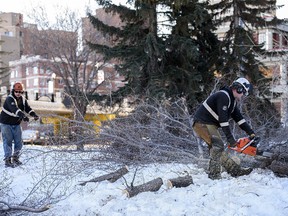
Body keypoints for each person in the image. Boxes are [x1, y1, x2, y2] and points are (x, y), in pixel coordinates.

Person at [193, 77, 258, 180]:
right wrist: (230, 139)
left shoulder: (232, 101)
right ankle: (214, 175)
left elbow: (239, 119)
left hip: (209, 124)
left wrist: (251, 133)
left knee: (218, 150)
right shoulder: (223, 96)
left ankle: (235, 170)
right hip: (202, 123)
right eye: (243, 92)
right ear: (238, 89)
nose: (243, 95)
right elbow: (223, 120)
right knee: (218, 146)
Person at [0, 82, 39, 168]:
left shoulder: (23, 100)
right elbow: (15, 109)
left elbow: (28, 108)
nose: (18, 93)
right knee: (8, 141)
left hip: (16, 123)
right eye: (16, 91)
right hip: (5, 123)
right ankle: (7, 159)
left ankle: (15, 158)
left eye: (20, 92)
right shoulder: (9, 99)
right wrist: (23, 116)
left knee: (19, 142)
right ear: (13, 91)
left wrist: (34, 114)